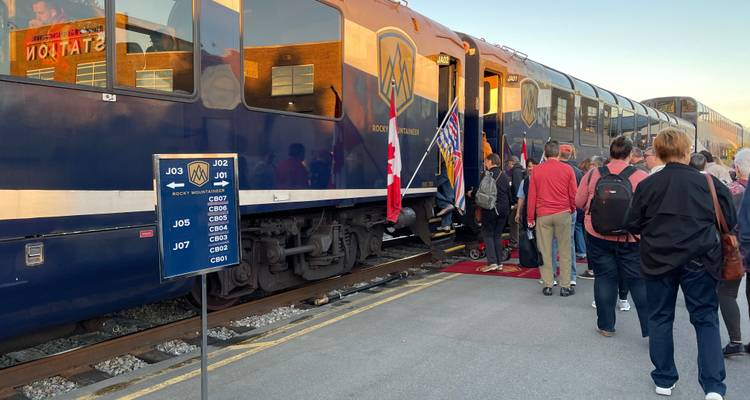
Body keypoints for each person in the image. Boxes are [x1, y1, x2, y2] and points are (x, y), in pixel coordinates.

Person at [629, 129, 734, 400]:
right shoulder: (709, 183)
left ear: (659, 153)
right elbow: (729, 220)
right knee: (705, 319)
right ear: (687, 152)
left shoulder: (647, 185)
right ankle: (713, 386)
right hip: (700, 259)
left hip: (657, 259)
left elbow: (631, 223)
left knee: (660, 317)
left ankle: (664, 379)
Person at [576, 136, 649, 337]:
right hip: (631, 237)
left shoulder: (592, 174)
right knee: (637, 281)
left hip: (597, 235)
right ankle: (650, 328)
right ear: (630, 154)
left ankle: (606, 326)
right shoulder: (640, 176)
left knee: (604, 278)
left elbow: (579, 202)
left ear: (610, 152)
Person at [526, 140, 577, 296]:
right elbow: (573, 193)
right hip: (563, 213)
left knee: (545, 250)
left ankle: (548, 284)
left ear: (546, 153)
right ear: (558, 153)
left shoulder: (537, 170)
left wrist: (530, 217)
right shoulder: (568, 170)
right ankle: (565, 286)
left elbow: (532, 196)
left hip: (543, 215)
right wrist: (572, 208)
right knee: (565, 250)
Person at [718, 148, 750, 356]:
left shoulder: (730, 190)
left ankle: (735, 340)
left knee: (727, 293)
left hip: (735, 251)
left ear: (737, 168)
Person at [477, 153, 511, 272]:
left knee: (488, 234)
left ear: (491, 162)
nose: (485, 164)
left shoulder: (486, 175)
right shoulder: (505, 176)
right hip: (504, 210)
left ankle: (492, 262)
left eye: (486, 161)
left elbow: (481, 192)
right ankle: (499, 262)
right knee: (497, 235)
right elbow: (509, 194)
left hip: (490, 209)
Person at [555, 144, 583, 284]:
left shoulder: (551, 169)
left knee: (552, 243)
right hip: (569, 210)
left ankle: (551, 274)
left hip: (553, 210)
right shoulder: (578, 171)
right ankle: (571, 276)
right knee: (569, 243)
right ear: (571, 155)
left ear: (558, 153)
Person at [506, 155, 525, 248]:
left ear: (512, 162)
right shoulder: (520, 170)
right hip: (521, 201)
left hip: (518, 202)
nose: (507, 166)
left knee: (514, 220)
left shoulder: (516, 172)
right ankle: (518, 240)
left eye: (508, 163)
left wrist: (517, 202)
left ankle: (515, 241)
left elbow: (517, 187)